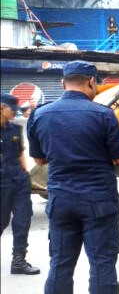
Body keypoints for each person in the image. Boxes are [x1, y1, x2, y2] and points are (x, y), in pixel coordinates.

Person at [27, 60, 119, 294]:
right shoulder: (103, 115)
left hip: (61, 200)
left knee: (60, 264)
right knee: (102, 264)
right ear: (91, 82)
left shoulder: (40, 115)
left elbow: (39, 160)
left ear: (63, 83)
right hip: (99, 201)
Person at [1, 93, 40, 275]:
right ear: (2, 108)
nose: (15, 113)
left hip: (18, 181)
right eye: (12, 110)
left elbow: (20, 153)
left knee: (22, 220)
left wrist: (25, 173)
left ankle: (19, 261)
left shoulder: (14, 128)